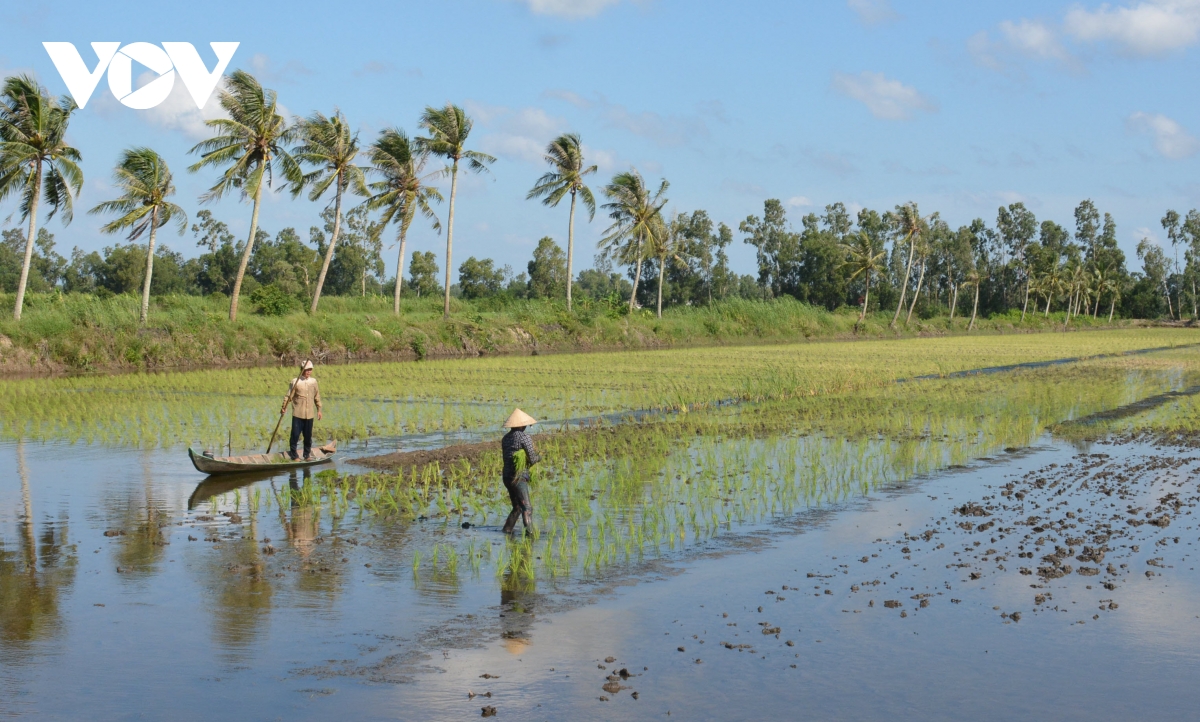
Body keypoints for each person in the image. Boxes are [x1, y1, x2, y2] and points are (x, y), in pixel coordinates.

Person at [500, 408, 540, 534]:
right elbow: (532, 459)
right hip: (519, 477)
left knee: (517, 507)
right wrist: (539, 457)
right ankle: (530, 535)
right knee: (527, 508)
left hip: (507, 476)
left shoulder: (505, 438)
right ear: (522, 425)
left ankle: (507, 531)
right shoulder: (524, 437)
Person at [282, 361, 322, 460]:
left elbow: (317, 396)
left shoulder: (313, 382)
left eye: (310, 369)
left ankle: (307, 455)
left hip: (309, 414)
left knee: (308, 436)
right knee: (295, 435)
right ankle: (294, 455)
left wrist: (319, 409)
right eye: (307, 369)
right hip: (298, 413)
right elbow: (289, 396)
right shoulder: (296, 382)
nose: (309, 371)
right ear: (302, 369)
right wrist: (284, 407)